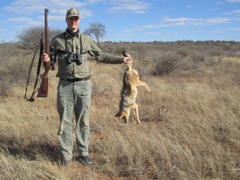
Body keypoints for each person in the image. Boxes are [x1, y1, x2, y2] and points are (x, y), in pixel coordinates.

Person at [42, 7, 133, 167]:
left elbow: (101, 55)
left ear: (79, 20)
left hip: (84, 85)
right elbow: (52, 65)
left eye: (76, 18)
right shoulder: (57, 40)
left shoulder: (87, 39)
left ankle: (83, 153)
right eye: (71, 18)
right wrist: (47, 59)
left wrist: (121, 60)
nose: (74, 21)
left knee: (83, 121)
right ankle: (66, 155)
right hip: (65, 85)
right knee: (65, 121)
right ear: (66, 20)